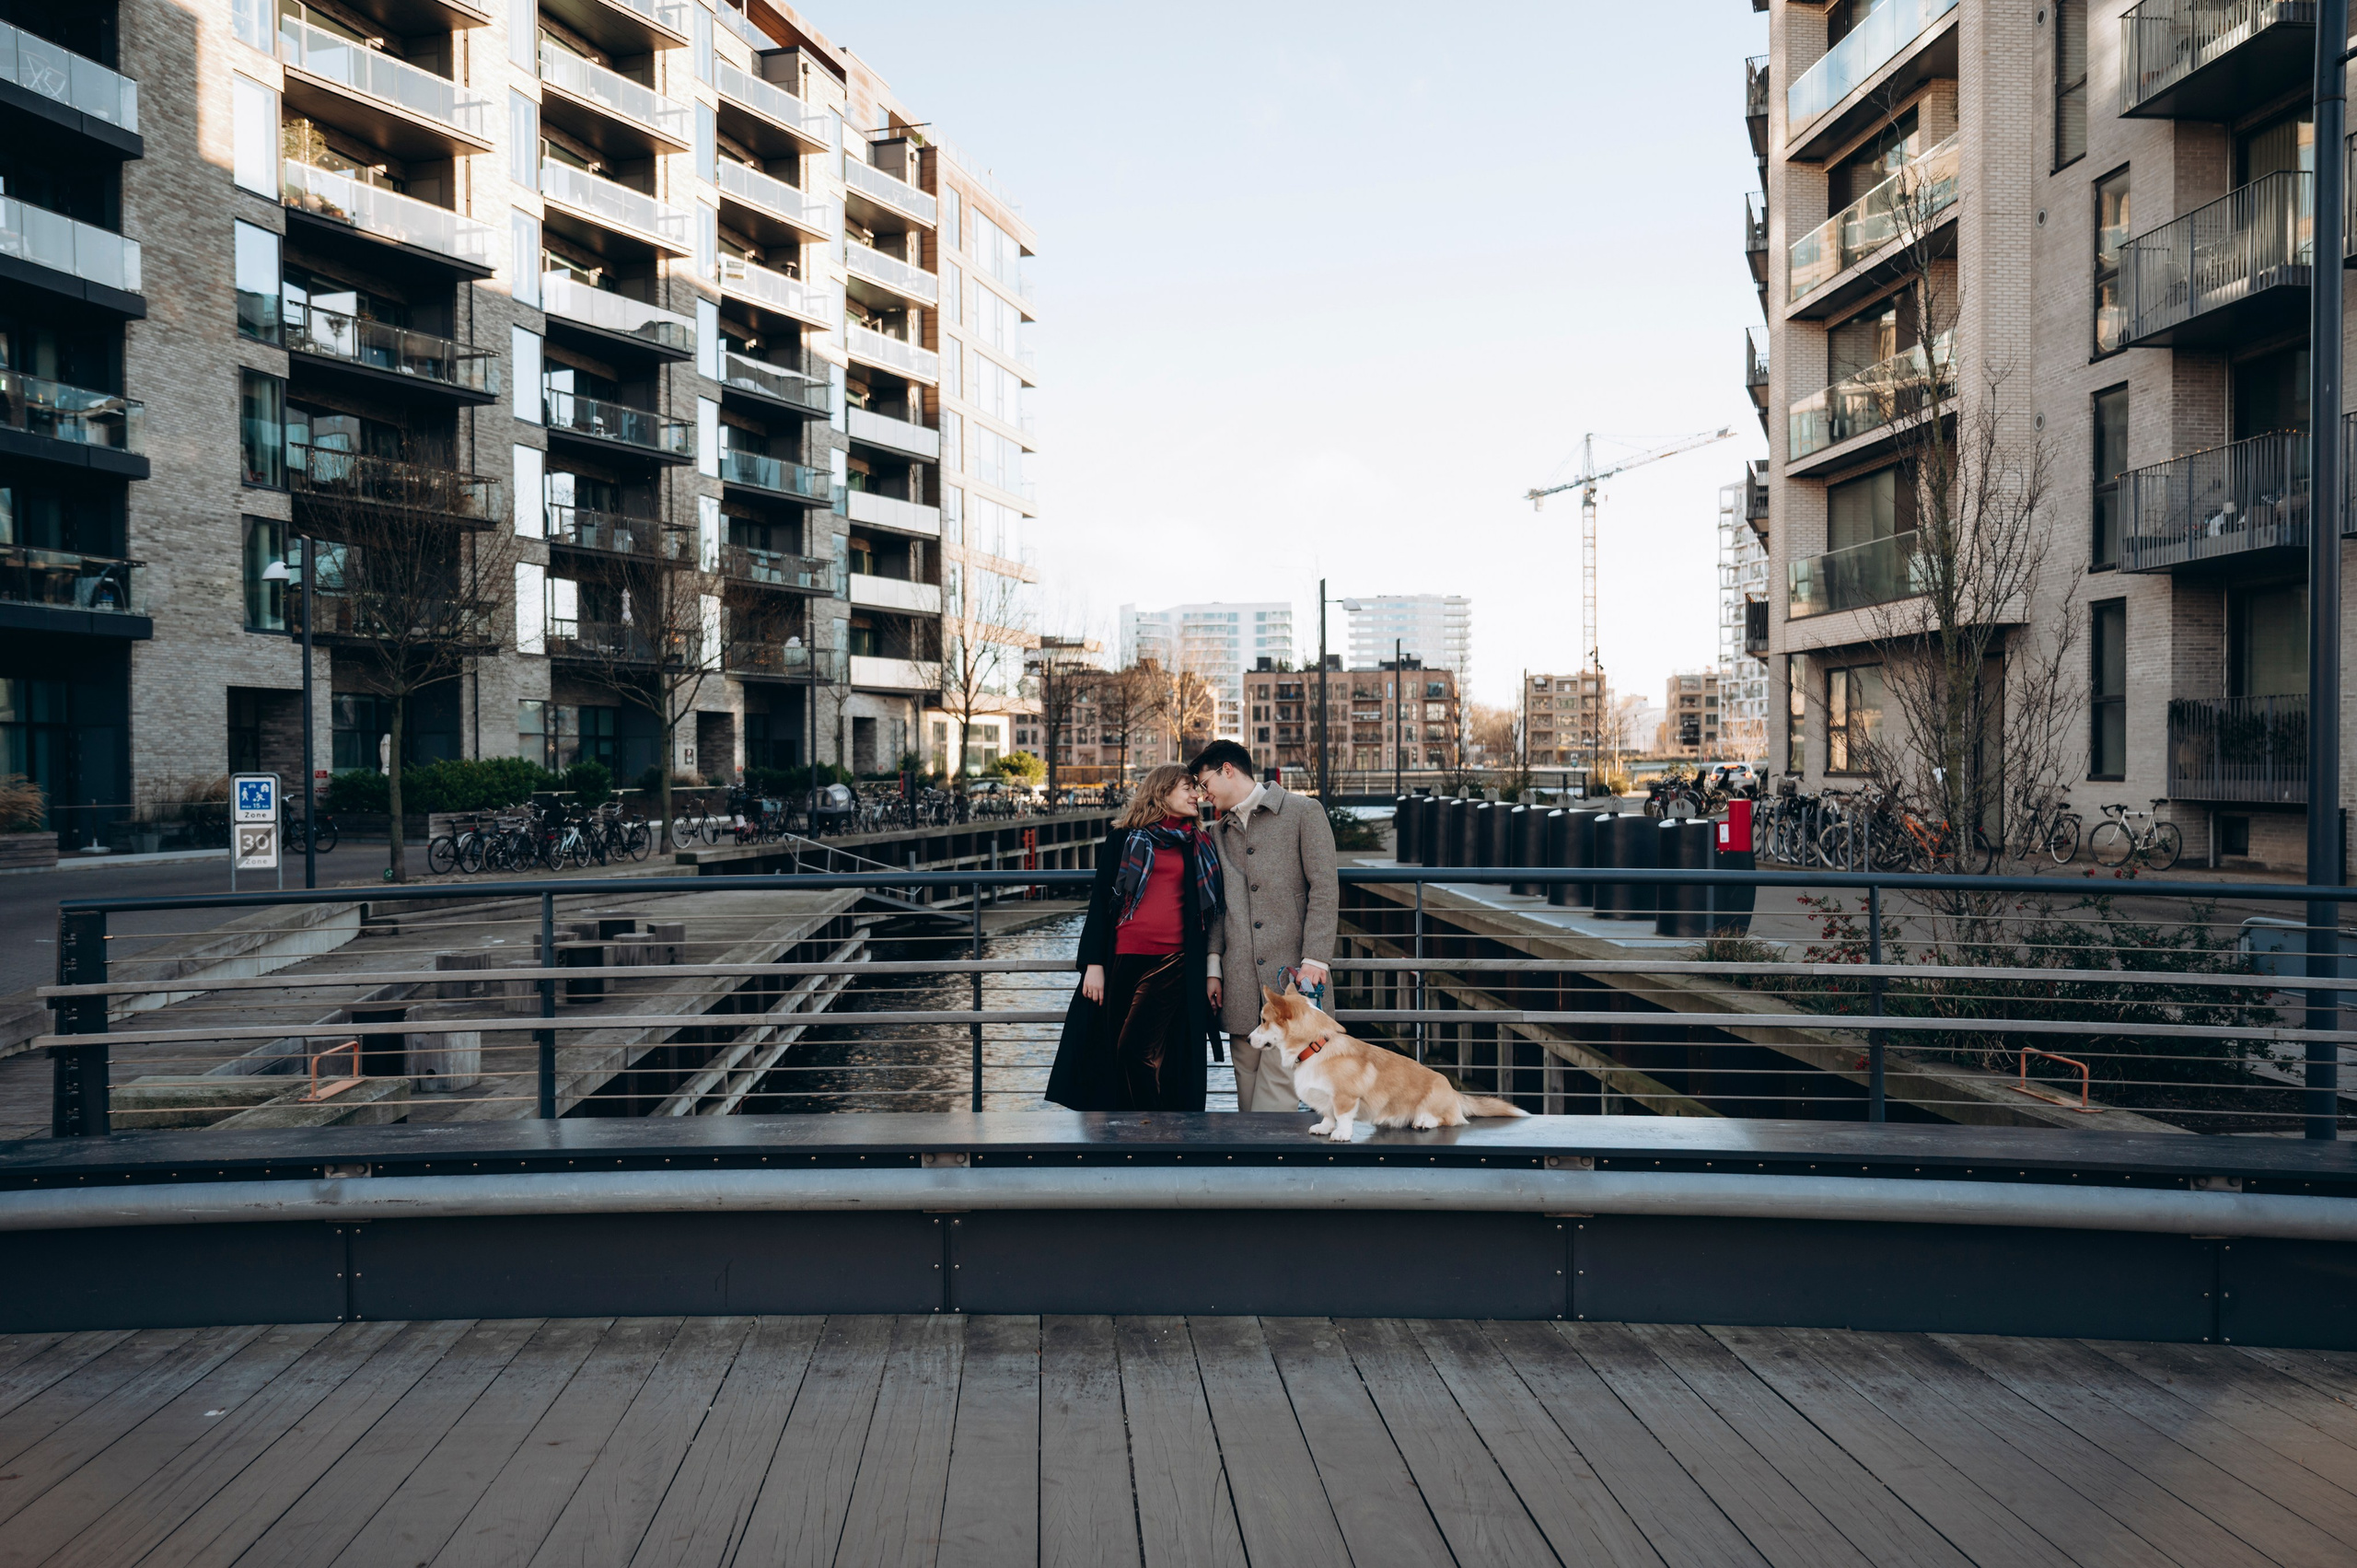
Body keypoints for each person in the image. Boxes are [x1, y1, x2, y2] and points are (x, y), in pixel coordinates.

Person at [1046, 763, 1226, 1111]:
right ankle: (1136, 1129)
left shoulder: (1199, 843)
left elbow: (1212, 914)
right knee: (1114, 1045)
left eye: (1197, 788)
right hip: (1122, 960)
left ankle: (1151, 1127)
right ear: (1161, 792)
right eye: (1187, 788)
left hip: (1175, 962)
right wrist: (1093, 964)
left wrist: (1210, 968)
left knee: (1142, 1049)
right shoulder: (1123, 839)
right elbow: (1100, 903)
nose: (1197, 795)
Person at [1190, 738, 1339, 1110]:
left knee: (1274, 1103)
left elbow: (1324, 887)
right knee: (1246, 1096)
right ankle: (1254, 1166)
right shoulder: (1216, 835)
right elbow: (1219, 907)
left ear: (1227, 770)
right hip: (1239, 984)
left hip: (1293, 984)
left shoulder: (1303, 812)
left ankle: (1269, 1166)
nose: (1203, 793)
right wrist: (1213, 968)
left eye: (1204, 783)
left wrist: (1316, 959)